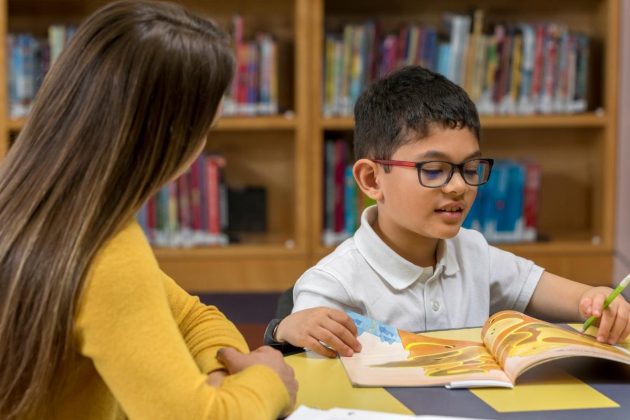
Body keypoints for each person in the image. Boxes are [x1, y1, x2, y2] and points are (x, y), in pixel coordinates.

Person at [0, 1, 296, 419]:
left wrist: (218, 376)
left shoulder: (41, 215)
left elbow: (192, 317)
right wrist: (267, 378)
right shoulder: (106, 255)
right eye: (205, 131)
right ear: (172, 138)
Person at [265, 65, 630, 358]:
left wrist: (595, 300)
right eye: (434, 170)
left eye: (470, 168)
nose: (459, 186)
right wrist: (290, 327)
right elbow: (302, 352)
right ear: (371, 179)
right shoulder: (332, 282)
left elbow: (548, 291)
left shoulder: (472, 251)